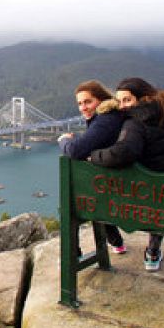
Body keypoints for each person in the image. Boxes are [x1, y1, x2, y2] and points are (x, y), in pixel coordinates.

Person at [89, 77, 164, 271]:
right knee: (161, 191)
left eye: (128, 100)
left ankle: (115, 242)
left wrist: (95, 155)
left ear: (144, 99)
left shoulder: (136, 122)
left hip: (156, 204)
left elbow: (122, 153)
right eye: (119, 101)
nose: (122, 107)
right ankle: (153, 250)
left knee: (97, 193)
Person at [58, 79, 127, 254]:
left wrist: (64, 140)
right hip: (121, 182)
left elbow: (74, 150)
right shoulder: (112, 116)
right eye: (80, 104)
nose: (83, 108)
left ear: (101, 100)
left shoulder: (106, 120)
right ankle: (116, 242)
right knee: (95, 191)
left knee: (74, 200)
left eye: (88, 102)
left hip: (117, 186)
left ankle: (73, 252)